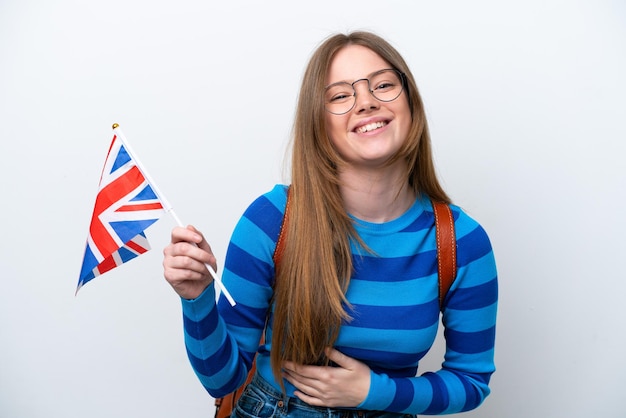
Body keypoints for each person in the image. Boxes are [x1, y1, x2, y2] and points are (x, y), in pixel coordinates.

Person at [163, 31, 498, 417]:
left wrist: (373, 391)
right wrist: (197, 297)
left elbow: (471, 381)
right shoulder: (272, 219)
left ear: (411, 103)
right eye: (341, 96)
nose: (366, 102)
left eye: (383, 85)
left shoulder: (460, 241)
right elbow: (222, 381)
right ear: (318, 125)